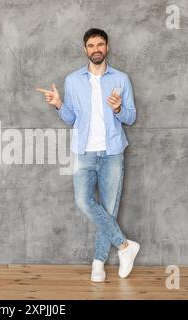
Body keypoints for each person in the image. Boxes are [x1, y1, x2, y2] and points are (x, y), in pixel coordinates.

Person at [36, 28, 139, 282]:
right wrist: (59, 104)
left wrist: (118, 109)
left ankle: (98, 263)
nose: (96, 49)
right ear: (85, 49)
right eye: (91, 45)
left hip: (112, 152)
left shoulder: (121, 79)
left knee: (108, 209)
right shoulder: (73, 80)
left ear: (107, 47)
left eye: (100, 45)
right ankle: (125, 246)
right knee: (84, 201)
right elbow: (71, 118)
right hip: (84, 152)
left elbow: (131, 117)